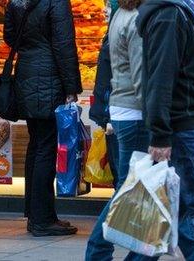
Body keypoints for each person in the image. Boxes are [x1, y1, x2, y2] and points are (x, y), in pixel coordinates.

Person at [136, 0, 194, 260]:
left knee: (174, 210)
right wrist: (160, 133)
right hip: (184, 124)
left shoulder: (186, 9)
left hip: (190, 120)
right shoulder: (170, 14)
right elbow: (160, 77)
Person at [4, 0, 82, 237]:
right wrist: (71, 86)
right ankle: (43, 219)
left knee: (36, 145)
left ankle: (35, 214)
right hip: (50, 78)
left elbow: (9, 36)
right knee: (46, 148)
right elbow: (64, 44)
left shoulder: (14, 2)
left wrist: (31, 47)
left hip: (26, 73)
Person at [85, 0, 149, 259]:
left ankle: (123, 252)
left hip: (124, 110)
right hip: (135, 111)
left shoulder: (119, 14)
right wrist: (156, 116)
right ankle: (98, 249)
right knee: (129, 187)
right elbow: (140, 74)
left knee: (134, 185)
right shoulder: (134, 19)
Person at [88, 0, 119, 188]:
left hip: (116, 115)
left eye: (108, 5)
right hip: (113, 114)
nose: (104, 10)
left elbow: (118, 80)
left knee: (122, 176)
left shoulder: (118, 34)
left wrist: (109, 116)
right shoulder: (112, 33)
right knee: (120, 174)